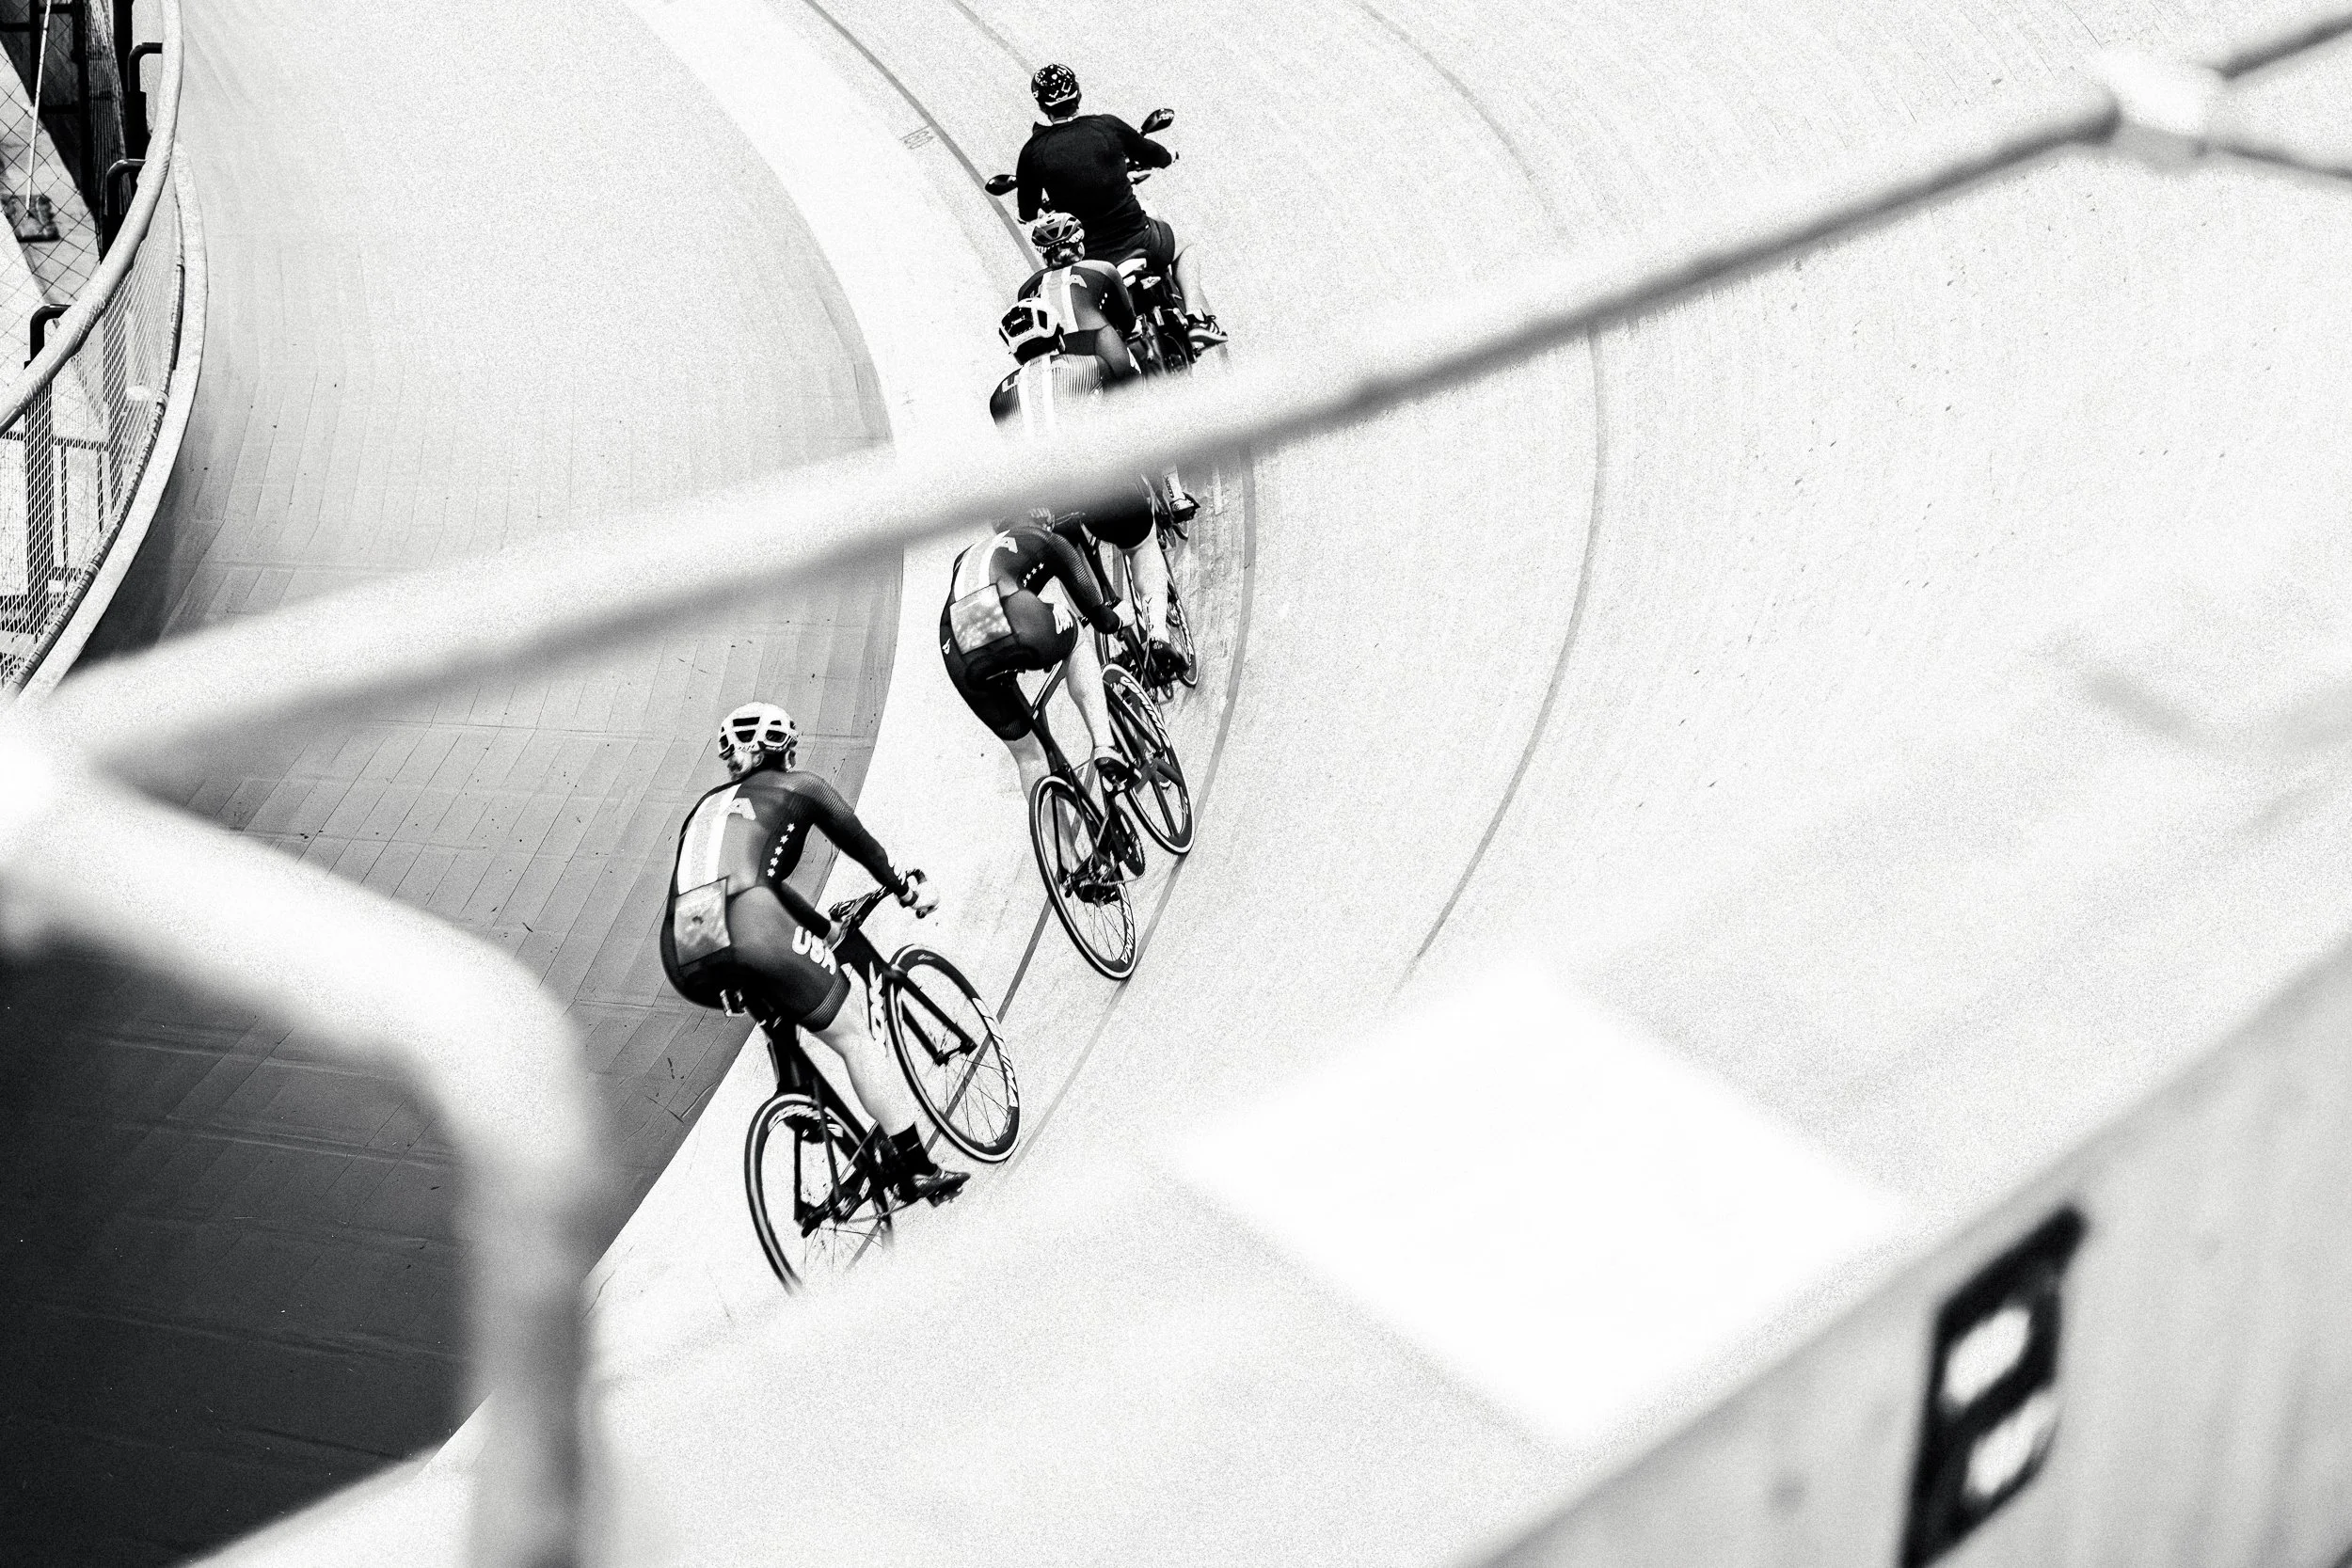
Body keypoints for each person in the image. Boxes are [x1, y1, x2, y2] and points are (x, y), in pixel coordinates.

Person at [660, 703, 966, 1207]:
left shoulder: (702, 810)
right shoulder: (798, 786)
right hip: (752, 925)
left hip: (684, 946)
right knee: (855, 1036)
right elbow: (858, 841)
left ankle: (794, 1092)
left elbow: (756, 884)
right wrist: (904, 887)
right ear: (780, 748)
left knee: (768, 995)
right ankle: (914, 1168)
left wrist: (823, 929)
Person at [986, 308, 1188, 686]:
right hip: (1102, 484)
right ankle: (1158, 634)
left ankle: (1097, 612)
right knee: (1142, 547)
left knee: (1064, 555)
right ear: (1058, 336)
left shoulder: (999, 399)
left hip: (1047, 505)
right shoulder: (1092, 364)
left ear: (1014, 353)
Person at [997, 211, 1200, 527]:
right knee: (1142, 408)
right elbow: (1129, 323)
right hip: (1103, 345)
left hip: (1062, 364)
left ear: (1044, 255)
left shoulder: (1028, 288)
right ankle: (1174, 493)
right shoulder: (1102, 268)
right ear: (1080, 245)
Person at [1015, 63, 1226, 355]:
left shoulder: (1032, 152)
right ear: (1077, 94)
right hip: (1139, 240)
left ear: (1041, 104)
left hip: (1090, 259)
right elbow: (1153, 153)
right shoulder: (1106, 126)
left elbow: (1026, 213)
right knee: (1185, 248)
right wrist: (1170, 156)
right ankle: (1197, 319)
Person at [939, 515, 1132, 816]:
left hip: (957, 649)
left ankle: (1064, 862)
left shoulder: (967, 555)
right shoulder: (1047, 539)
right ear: (1043, 517)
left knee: (1029, 756)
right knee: (1078, 637)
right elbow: (1100, 615)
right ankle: (1105, 746)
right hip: (1016, 621)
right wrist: (1117, 619)